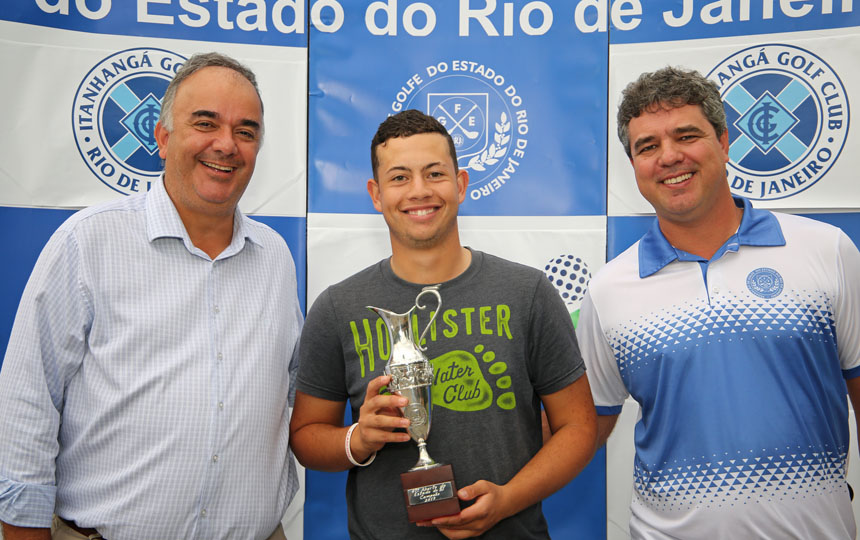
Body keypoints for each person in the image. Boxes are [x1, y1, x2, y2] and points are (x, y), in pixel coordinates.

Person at [0, 52, 303, 540]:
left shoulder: (276, 259)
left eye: (246, 132)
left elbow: (296, 395)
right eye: (205, 123)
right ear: (162, 137)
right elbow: (26, 402)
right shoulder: (88, 242)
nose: (226, 145)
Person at [577, 66, 860, 539]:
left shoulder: (825, 250)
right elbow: (581, 429)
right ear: (634, 167)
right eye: (647, 146)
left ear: (725, 143)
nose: (668, 156)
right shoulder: (609, 289)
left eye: (686, 135)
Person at [289, 109, 597, 539]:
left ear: (461, 184)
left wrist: (507, 500)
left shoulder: (527, 293)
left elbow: (579, 427)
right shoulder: (339, 307)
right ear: (376, 195)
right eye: (399, 178)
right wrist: (358, 439)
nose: (419, 191)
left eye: (435, 173)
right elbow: (305, 437)